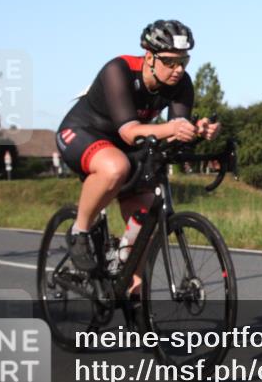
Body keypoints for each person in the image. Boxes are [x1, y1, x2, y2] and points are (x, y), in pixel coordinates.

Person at [55, 20, 219, 292]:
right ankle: (79, 232)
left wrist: (197, 130)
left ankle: (130, 286)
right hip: (83, 132)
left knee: (146, 219)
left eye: (184, 62)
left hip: (124, 145)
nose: (178, 70)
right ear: (149, 56)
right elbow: (130, 132)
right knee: (115, 167)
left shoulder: (181, 84)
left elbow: (174, 134)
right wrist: (173, 128)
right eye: (169, 62)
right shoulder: (118, 70)